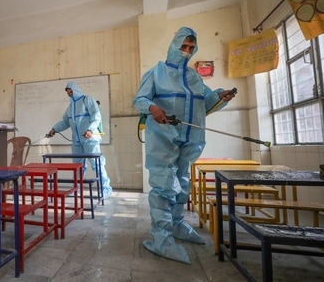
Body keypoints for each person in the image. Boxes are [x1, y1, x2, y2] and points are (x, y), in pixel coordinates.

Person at [132, 27, 236, 264]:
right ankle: (161, 236)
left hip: (190, 138)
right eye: (183, 46)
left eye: (191, 47)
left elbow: (206, 103)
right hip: (163, 137)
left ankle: (177, 224)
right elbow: (140, 99)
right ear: (174, 45)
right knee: (163, 186)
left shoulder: (194, 77)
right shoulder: (157, 72)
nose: (186, 51)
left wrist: (221, 96)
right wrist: (153, 108)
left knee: (182, 183)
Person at [47, 81, 113, 199]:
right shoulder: (70, 107)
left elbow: (96, 115)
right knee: (77, 166)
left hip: (90, 138)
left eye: (71, 91)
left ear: (76, 89)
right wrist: (54, 129)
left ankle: (105, 188)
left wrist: (90, 130)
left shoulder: (87, 100)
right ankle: (76, 189)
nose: (70, 94)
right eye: (68, 92)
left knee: (97, 164)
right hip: (77, 141)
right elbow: (65, 122)